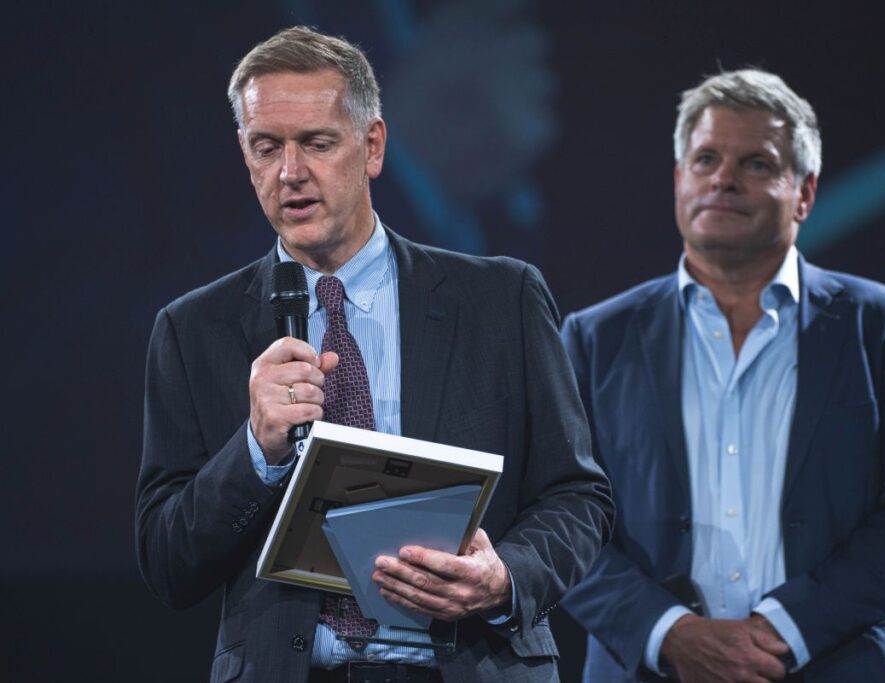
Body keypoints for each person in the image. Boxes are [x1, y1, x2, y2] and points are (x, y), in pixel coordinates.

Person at [135, 26, 612, 683]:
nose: (290, 172)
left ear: (374, 146)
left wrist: (505, 577)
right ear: (245, 154)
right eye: (267, 147)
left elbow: (578, 497)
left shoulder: (502, 299)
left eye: (317, 143)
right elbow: (167, 561)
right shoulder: (193, 329)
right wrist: (255, 450)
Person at [559, 69, 885, 682]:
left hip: (845, 665)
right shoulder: (593, 338)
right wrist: (671, 634)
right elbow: (558, 516)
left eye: (756, 164)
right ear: (679, 180)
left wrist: (781, 631)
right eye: (707, 159)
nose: (724, 178)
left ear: (805, 193)